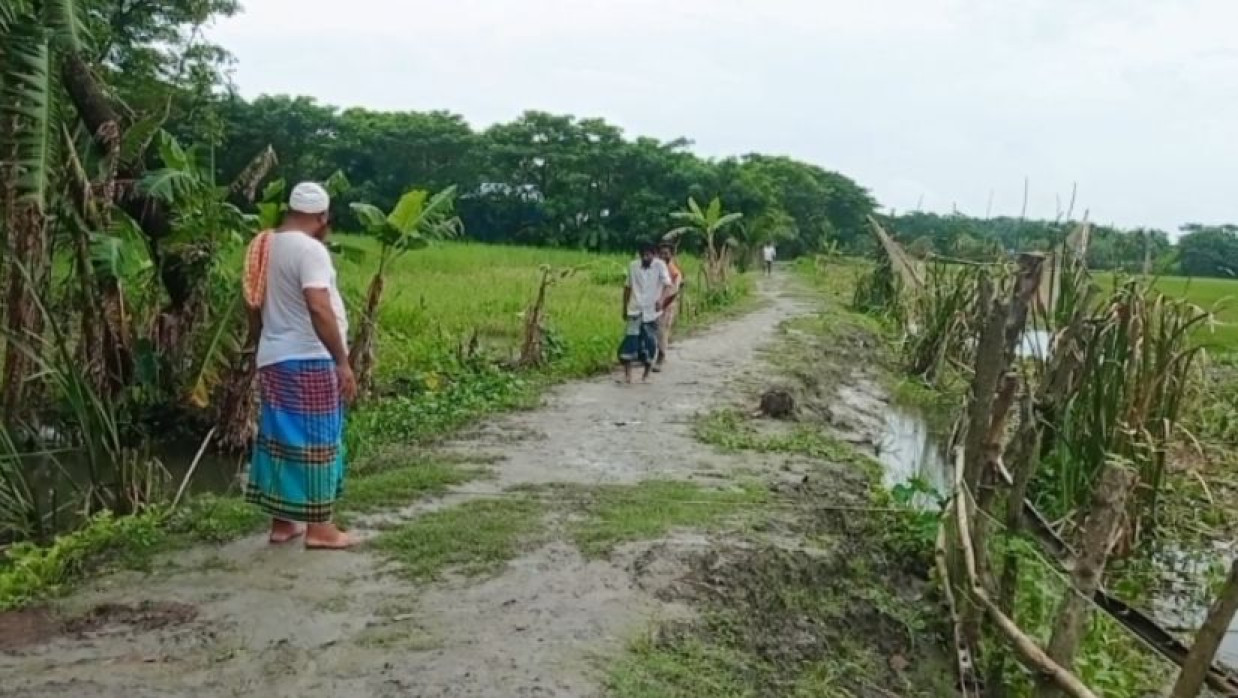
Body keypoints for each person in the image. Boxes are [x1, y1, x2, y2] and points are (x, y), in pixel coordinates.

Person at [242, 181, 357, 550]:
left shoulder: (264, 245)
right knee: (319, 440)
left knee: (280, 440)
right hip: (310, 357)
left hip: (274, 357)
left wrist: (261, 340)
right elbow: (318, 305)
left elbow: (252, 301)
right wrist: (342, 361)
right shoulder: (311, 250)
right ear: (322, 217)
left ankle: (283, 524)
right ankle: (321, 529)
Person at [618, 242, 674, 383]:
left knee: (649, 343)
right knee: (630, 342)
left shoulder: (660, 266)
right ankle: (628, 375)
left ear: (654, 255)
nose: (646, 257)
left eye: (649, 254)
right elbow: (627, 287)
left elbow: (667, 285)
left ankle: (646, 375)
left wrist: (661, 300)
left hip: (651, 311)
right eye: (643, 254)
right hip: (635, 309)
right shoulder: (633, 266)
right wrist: (624, 307)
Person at [654, 243, 684, 371]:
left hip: (667, 306)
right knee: (653, 331)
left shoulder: (675, 272)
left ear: (671, 255)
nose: (663, 256)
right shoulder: (657, 268)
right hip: (655, 304)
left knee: (662, 331)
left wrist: (662, 304)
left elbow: (673, 292)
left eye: (666, 253)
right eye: (661, 253)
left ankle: (660, 357)